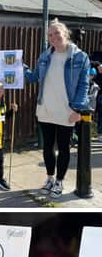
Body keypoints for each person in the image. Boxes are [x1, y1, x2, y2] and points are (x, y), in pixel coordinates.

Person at [24, 19, 90, 199]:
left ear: (65, 33)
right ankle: (50, 178)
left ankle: (60, 181)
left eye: (56, 33)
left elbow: (84, 85)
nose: (53, 37)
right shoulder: (45, 56)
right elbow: (33, 77)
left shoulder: (80, 57)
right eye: (50, 35)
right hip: (45, 108)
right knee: (47, 147)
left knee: (63, 147)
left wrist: (78, 109)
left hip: (66, 111)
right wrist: (19, 67)